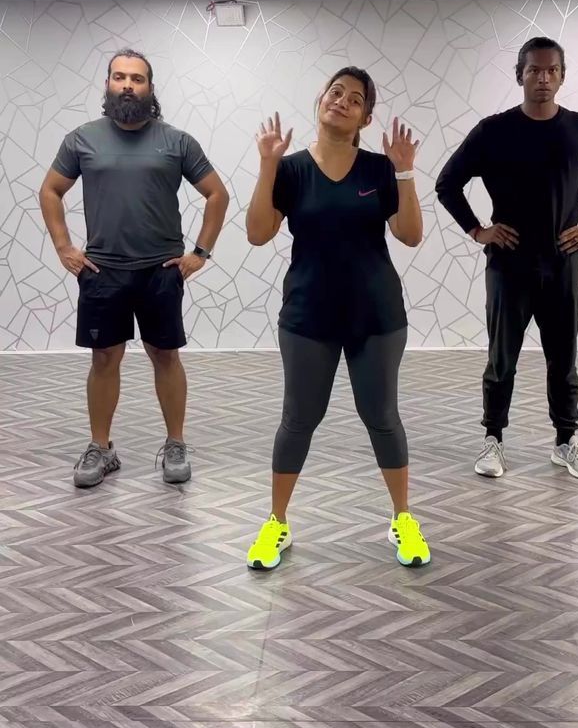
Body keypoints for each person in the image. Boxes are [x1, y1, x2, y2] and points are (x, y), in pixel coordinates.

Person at [245, 66, 430, 570]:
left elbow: (411, 235)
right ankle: (276, 524)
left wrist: (405, 171)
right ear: (320, 101)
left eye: (355, 99)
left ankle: (403, 520)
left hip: (377, 316)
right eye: (335, 92)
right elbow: (258, 233)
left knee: (383, 418)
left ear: (365, 117)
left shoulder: (378, 169)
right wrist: (266, 166)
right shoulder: (290, 169)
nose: (342, 101)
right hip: (308, 316)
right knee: (299, 420)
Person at [436, 36, 578, 481]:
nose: (542, 78)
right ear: (519, 75)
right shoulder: (493, 130)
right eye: (533, 70)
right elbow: (447, 183)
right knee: (501, 356)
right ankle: (493, 440)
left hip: (563, 262)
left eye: (551, 70)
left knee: (562, 357)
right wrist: (478, 230)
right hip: (509, 265)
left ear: (562, 76)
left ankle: (565, 442)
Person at [39, 48, 229, 488]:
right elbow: (51, 190)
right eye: (120, 77)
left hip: (161, 269)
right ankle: (101, 449)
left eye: (137, 79)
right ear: (108, 84)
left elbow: (216, 194)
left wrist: (200, 253)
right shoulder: (81, 139)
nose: (128, 85)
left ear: (150, 88)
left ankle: (176, 443)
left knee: (165, 355)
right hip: (102, 271)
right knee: (104, 358)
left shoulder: (177, 141)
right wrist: (64, 246)